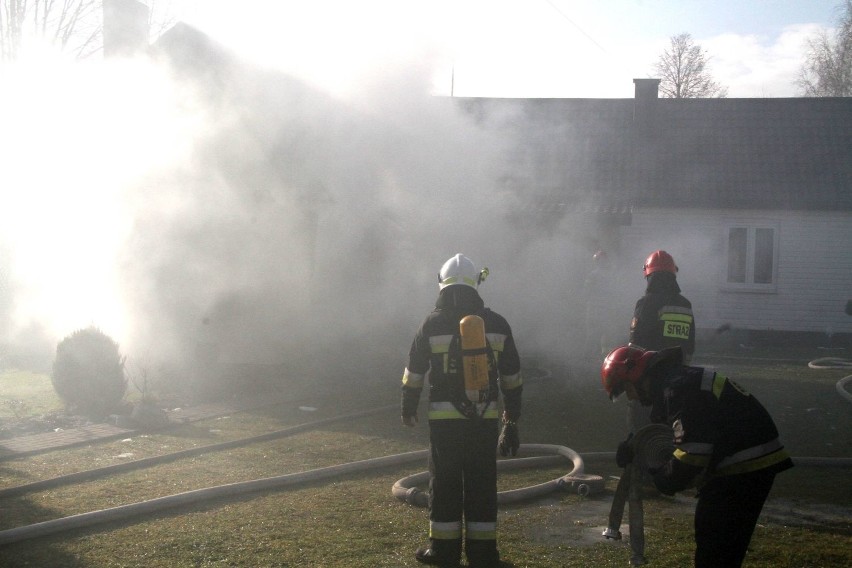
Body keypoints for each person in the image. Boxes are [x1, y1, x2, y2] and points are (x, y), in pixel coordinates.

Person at [601, 345, 794, 568]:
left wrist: (662, 478)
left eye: (626, 390)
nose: (632, 397)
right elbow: (682, 426)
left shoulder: (677, 388)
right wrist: (634, 445)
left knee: (715, 546)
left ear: (634, 376)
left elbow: (693, 454)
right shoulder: (677, 381)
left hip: (744, 464)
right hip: (745, 459)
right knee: (717, 542)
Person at [401, 253, 523, 568]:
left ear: (442, 283)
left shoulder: (431, 323)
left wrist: (408, 407)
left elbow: (415, 370)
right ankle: (484, 556)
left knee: (444, 483)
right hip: (484, 422)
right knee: (483, 484)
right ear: (476, 284)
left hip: (444, 426)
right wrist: (512, 419)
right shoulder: (496, 323)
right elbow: (512, 376)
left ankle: (443, 552)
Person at [628, 250, 695, 433]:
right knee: (674, 427)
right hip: (680, 377)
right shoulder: (685, 305)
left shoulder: (646, 303)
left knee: (645, 432)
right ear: (673, 275)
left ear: (649, 275)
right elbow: (690, 344)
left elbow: (636, 343)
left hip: (650, 378)